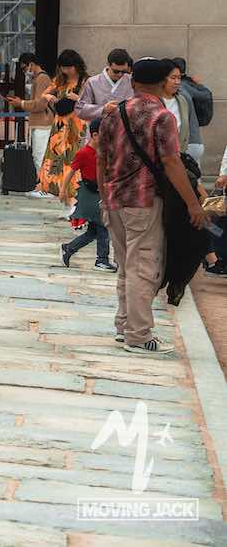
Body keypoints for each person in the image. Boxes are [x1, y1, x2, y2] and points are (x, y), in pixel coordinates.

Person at [98, 57, 209, 355]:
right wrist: (193, 204)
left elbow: (102, 158)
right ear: (162, 84)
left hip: (114, 200)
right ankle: (139, 335)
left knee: (125, 266)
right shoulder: (162, 117)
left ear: (133, 83)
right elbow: (172, 162)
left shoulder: (114, 113)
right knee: (143, 268)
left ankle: (124, 326)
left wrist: (103, 196)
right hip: (144, 202)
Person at [60, 118, 117, 272]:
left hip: (101, 192)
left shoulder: (105, 152)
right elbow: (70, 171)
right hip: (90, 193)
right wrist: (63, 190)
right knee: (103, 226)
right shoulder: (84, 153)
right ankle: (101, 260)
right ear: (95, 135)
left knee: (93, 231)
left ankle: (69, 248)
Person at [37, 49, 88, 211]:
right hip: (60, 125)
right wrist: (52, 98)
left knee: (73, 159)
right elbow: (44, 95)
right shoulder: (59, 81)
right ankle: (65, 199)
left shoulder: (86, 81)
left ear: (76, 66)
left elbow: (92, 103)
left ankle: (74, 201)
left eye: (69, 67)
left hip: (77, 124)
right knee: (58, 158)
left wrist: (78, 99)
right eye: (63, 67)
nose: (66, 71)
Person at [5, 52, 53, 195]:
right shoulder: (39, 78)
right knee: (38, 157)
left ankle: (45, 188)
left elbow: (40, 104)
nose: (25, 70)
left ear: (32, 64)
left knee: (41, 157)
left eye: (25, 67)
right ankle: (42, 186)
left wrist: (21, 103)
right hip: (38, 123)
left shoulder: (42, 78)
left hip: (42, 124)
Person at [77, 49, 133, 122]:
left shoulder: (131, 81)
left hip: (124, 129)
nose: (120, 74)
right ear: (108, 64)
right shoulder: (93, 82)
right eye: (116, 71)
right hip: (99, 128)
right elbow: (80, 109)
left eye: (123, 71)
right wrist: (103, 109)